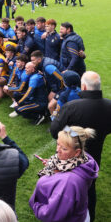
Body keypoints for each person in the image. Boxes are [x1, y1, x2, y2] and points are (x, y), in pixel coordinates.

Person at [50, 71, 111, 222]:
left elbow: (54, 131)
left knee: (66, 189)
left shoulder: (72, 106)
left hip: (69, 157)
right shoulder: (109, 105)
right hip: (94, 157)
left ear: (83, 86)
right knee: (89, 188)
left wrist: (74, 135)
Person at [30, 126, 98, 222]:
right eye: (58, 144)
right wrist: (55, 166)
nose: (58, 150)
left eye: (64, 148)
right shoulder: (84, 158)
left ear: (76, 152)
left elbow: (52, 215)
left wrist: (36, 205)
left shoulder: (68, 183)